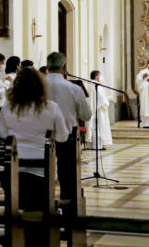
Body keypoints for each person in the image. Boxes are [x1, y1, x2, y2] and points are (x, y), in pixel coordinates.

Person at [0, 66, 68, 210]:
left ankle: (16, 224)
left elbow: (1, 133)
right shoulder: (51, 107)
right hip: (42, 173)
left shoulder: (8, 106)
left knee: (17, 203)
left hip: (13, 170)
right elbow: (63, 136)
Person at [44, 52, 91, 194]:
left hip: (41, 134)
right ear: (64, 67)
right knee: (68, 172)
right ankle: (68, 199)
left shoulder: (36, 86)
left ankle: (44, 200)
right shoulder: (74, 88)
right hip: (68, 134)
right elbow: (86, 115)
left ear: (47, 67)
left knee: (44, 169)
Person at [86, 70, 113, 150]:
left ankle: (99, 145)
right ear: (96, 76)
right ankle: (96, 145)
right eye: (99, 75)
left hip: (96, 108)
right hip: (98, 109)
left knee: (97, 127)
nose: (100, 77)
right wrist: (106, 102)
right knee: (97, 126)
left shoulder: (93, 84)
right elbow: (101, 97)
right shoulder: (94, 85)